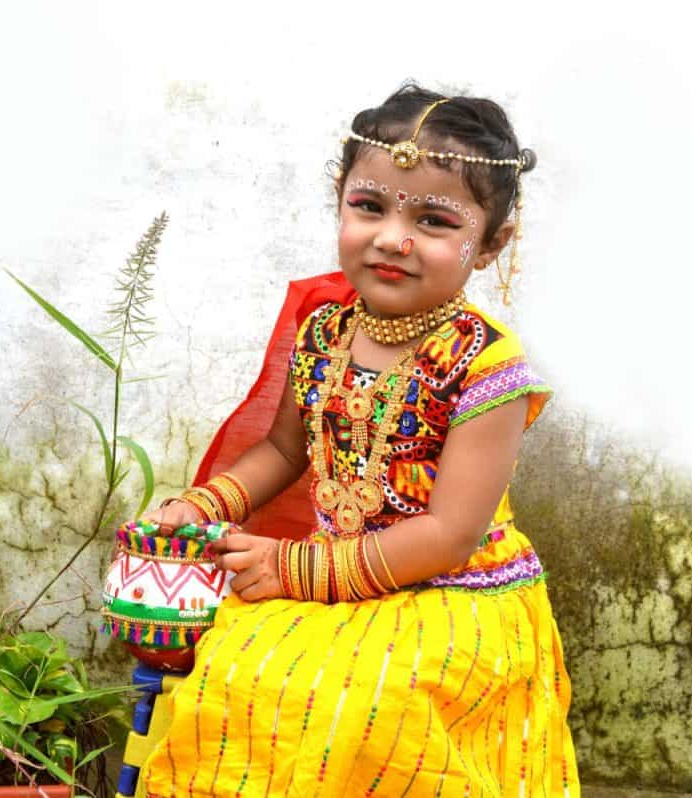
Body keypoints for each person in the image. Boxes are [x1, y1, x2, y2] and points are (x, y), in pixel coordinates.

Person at [137, 84, 580, 796]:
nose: (392, 238)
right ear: (339, 203)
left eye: (434, 220)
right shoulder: (326, 333)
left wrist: (294, 572)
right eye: (368, 207)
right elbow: (284, 452)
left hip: (454, 596)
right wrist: (202, 504)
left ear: (492, 244)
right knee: (231, 675)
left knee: (373, 709)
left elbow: (449, 536)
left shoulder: (488, 366)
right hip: (326, 582)